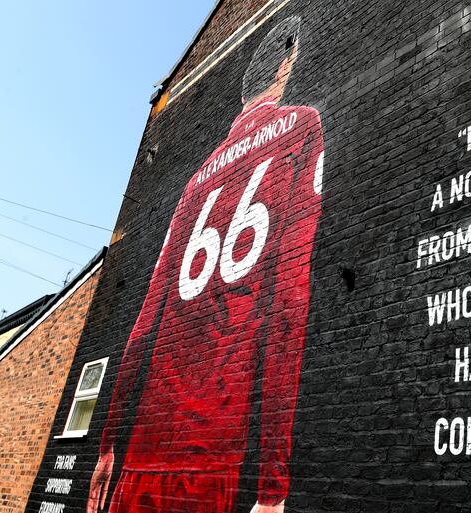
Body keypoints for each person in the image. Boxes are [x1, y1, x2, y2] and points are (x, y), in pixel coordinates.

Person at [87, 15, 324, 513]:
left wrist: (108, 446)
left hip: (139, 463)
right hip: (210, 463)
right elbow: (288, 305)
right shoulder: (301, 128)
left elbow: (142, 329)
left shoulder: (194, 183)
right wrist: (273, 485)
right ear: (287, 64)